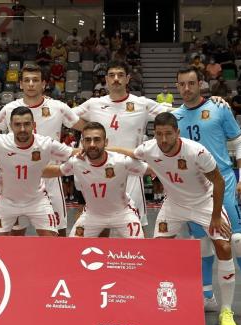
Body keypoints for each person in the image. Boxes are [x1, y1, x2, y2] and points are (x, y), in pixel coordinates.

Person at [112, 112, 236, 325]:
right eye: (158, 134)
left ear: (177, 133)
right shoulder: (149, 148)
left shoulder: (196, 151)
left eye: (168, 134)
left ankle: (226, 310)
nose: (163, 140)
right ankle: (161, 302)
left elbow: (218, 181)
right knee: (158, 250)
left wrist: (216, 215)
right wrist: (105, 150)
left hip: (204, 203)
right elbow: (131, 153)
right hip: (174, 205)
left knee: (224, 246)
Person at [173, 66, 241, 321]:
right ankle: (207, 296)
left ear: (201, 84)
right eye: (182, 84)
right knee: (202, 245)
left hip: (224, 181)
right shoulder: (174, 116)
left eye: (191, 83)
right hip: (194, 188)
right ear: (176, 86)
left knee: (237, 241)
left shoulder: (219, 108)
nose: (187, 89)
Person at [70, 60, 169, 229]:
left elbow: (175, 115)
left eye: (121, 75)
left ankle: (138, 256)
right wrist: (89, 128)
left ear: (128, 79)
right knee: (100, 224)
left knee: (137, 223)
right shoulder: (93, 104)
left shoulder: (142, 103)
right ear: (106, 80)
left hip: (130, 171)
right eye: (112, 75)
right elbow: (67, 117)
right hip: (99, 172)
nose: (116, 79)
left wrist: (211, 102)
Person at [0, 64, 82, 236]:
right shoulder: (9, 109)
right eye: (27, 80)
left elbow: (85, 127)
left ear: (44, 84)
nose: (31, 84)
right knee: (16, 235)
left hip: (50, 176)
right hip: (17, 181)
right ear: (20, 84)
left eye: (35, 80)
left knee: (58, 232)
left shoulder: (59, 107)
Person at [0, 106, 73, 236]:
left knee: (51, 242)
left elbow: (74, 154)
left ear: (33, 125)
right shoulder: (1, 141)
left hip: (37, 201)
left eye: (27, 124)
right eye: (17, 125)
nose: (22, 129)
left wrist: (107, 153)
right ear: (11, 126)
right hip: (6, 202)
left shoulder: (45, 143)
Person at [44, 122, 147, 238]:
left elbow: (152, 170)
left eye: (97, 140)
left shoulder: (121, 161)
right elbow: (57, 170)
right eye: (88, 140)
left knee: (139, 246)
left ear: (105, 142)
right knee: (71, 248)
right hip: (92, 215)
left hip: (122, 213)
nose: (92, 144)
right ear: (82, 143)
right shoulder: (76, 162)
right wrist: (29, 167)